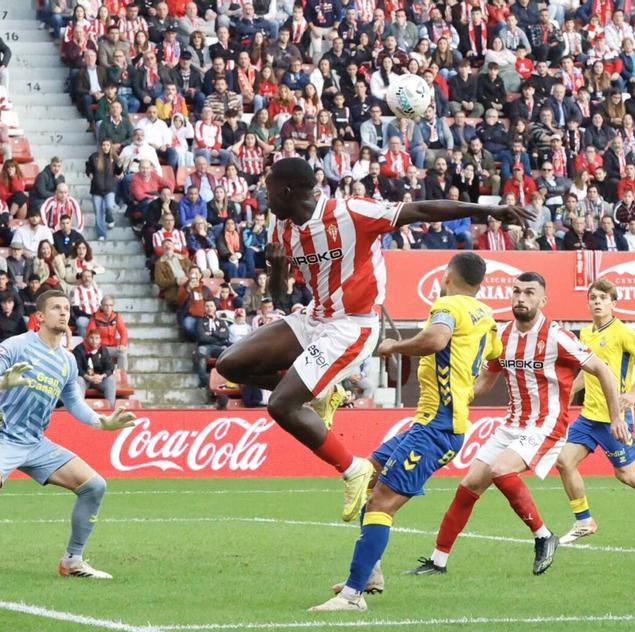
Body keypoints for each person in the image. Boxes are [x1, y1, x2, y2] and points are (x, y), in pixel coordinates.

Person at [214, 157, 531, 523]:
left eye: (267, 187)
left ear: (286, 191)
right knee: (229, 364)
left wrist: (487, 210)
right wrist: (279, 267)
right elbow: (280, 295)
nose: (261, 194)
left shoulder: (351, 212)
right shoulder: (281, 229)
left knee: (282, 405)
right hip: (315, 317)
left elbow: (422, 209)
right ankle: (321, 393)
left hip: (353, 325)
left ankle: (353, 469)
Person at [309, 253, 502, 612]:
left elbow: (435, 340)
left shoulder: (446, 305)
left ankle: (352, 596)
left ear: (447, 277)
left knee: (382, 502)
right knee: (369, 476)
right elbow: (495, 360)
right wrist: (470, 390)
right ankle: (370, 573)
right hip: (433, 421)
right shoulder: (485, 316)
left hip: (437, 426)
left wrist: (394, 346)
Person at [407, 272, 629, 577]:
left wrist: (616, 416)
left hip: (546, 425)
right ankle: (438, 560)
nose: (521, 298)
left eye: (529, 293)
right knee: (469, 484)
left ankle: (543, 536)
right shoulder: (502, 336)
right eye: (516, 292)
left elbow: (602, 370)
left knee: (500, 470)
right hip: (511, 425)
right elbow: (485, 381)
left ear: (542, 300)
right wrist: (456, 393)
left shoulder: (557, 335)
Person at [0, 291, 136, 586]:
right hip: (2, 436)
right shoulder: (18, 345)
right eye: (56, 308)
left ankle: (73, 560)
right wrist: (0, 382)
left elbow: (74, 403)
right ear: (40, 317)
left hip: (35, 442)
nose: (63, 313)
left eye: (66, 308)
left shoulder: (68, 361)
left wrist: (100, 422)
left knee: (95, 486)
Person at [553, 279, 635, 546]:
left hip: (615, 417)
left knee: (626, 474)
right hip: (589, 416)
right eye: (593, 297)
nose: (597, 302)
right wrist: (568, 394)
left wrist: (632, 394)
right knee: (564, 462)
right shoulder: (584, 335)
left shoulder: (622, 332)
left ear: (613, 304)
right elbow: (588, 371)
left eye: (603, 298)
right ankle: (584, 520)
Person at [73, 329, 117, 407]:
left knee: (111, 380)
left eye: (97, 338)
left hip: (99, 379)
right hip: (85, 379)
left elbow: (110, 367)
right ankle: (80, 408)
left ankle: (110, 409)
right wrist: (89, 377)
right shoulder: (79, 349)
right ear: (87, 338)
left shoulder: (103, 350)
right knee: (78, 379)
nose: (94, 341)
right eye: (91, 338)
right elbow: (77, 368)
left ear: (100, 340)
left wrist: (102, 376)